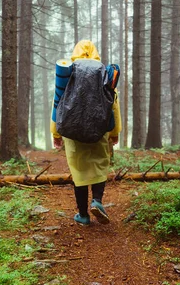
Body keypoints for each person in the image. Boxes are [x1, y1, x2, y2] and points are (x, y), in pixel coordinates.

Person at [50, 40, 121, 225]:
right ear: (96, 53)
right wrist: (115, 132)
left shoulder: (67, 73)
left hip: (72, 133)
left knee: (79, 171)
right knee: (99, 165)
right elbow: (113, 105)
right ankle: (97, 201)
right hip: (99, 130)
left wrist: (56, 134)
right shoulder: (104, 72)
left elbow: (57, 104)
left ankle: (83, 215)